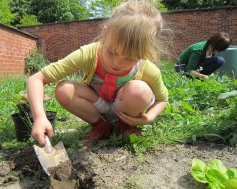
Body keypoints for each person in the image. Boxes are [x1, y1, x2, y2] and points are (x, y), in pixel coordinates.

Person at [27, 0, 169, 148]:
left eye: (131, 58)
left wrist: (150, 117)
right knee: (63, 89)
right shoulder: (88, 54)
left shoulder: (147, 68)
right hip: (98, 107)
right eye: (112, 52)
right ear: (105, 33)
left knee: (139, 91)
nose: (117, 63)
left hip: (127, 111)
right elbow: (36, 79)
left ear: (146, 51)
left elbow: (162, 99)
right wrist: (39, 117)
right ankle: (101, 127)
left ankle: (125, 127)